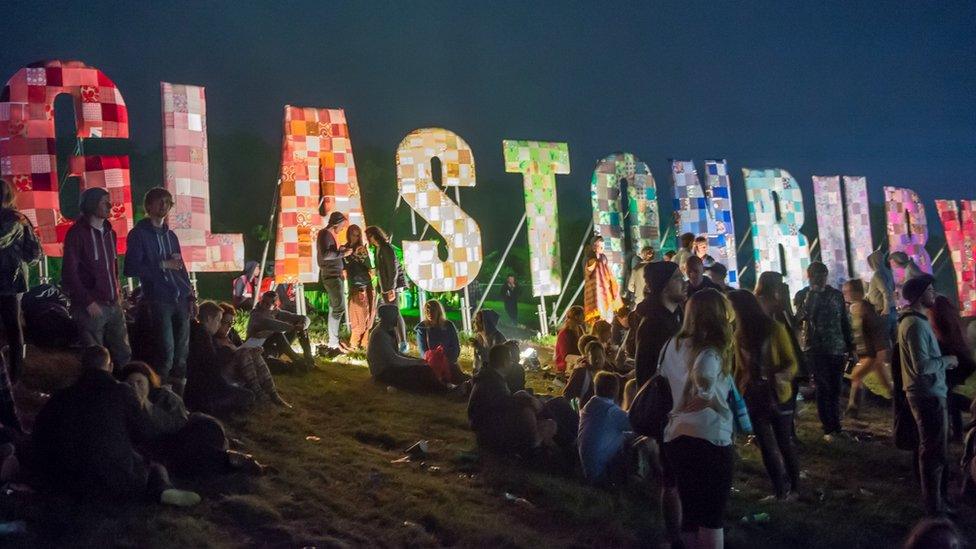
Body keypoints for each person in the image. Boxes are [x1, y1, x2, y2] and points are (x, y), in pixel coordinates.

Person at [30, 346, 200, 506]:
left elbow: (39, 433)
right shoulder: (122, 392)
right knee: (154, 466)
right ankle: (162, 489)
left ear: (82, 367)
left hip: (68, 480)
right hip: (116, 481)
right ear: (110, 366)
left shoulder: (62, 396)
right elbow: (145, 432)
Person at [659, 289, 735, 549]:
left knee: (690, 513)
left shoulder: (673, 344)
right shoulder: (712, 350)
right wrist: (715, 403)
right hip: (710, 435)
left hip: (677, 434)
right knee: (712, 515)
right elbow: (705, 382)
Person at [121, 361, 267, 477]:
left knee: (189, 448)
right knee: (186, 461)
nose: (135, 387)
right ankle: (235, 460)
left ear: (148, 381)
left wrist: (147, 405)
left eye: (139, 382)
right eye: (130, 384)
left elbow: (178, 424)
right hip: (176, 448)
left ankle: (241, 460)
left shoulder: (165, 397)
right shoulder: (126, 407)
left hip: (198, 428)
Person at [727, 289, 800, 501]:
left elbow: (791, 362)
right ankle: (779, 490)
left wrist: (776, 378)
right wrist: (739, 388)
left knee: (783, 441)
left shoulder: (775, 330)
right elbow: (740, 368)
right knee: (766, 444)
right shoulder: (739, 334)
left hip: (778, 394)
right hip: (753, 394)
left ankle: (794, 488)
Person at [123, 187, 194, 395]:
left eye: (168, 202)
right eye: (160, 201)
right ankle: (158, 398)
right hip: (158, 299)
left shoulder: (171, 235)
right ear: (149, 206)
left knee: (182, 354)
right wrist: (162, 265)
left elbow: (181, 267)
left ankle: (178, 402)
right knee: (166, 353)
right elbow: (130, 268)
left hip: (180, 299)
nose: (164, 205)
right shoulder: (138, 234)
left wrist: (190, 295)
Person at [898, 274, 958, 516]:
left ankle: (937, 502)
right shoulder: (914, 325)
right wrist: (947, 361)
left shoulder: (916, 322)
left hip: (929, 392)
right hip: (927, 395)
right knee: (933, 453)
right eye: (930, 290)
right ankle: (935, 507)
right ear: (918, 295)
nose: (933, 293)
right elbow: (921, 366)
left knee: (934, 450)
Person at [62, 187, 131, 370]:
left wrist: (118, 293)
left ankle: (126, 392)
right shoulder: (77, 234)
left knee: (123, 352)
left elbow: (113, 266)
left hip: (112, 302)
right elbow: (69, 272)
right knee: (95, 357)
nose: (110, 205)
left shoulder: (110, 233)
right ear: (92, 205)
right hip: (90, 305)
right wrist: (87, 301)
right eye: (104, 202)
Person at [794, 262, 853, 440]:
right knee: (823, 387)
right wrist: (812, 296)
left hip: (836, 347)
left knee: (835, 388)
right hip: (815, 349)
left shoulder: (835, 295)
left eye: (824, 274)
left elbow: (844, 320)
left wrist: (850, 346)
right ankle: (828, 427)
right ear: (809, 276)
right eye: (816, 275)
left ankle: (836, 425)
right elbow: (801, 317)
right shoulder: (804, 294)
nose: (821, 278)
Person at [468, 344, 559, 459]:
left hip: (486, 429)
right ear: (506, 361)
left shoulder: (489, 377)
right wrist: (528, 401)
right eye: (510, 360)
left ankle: (540, 444)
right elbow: (504, 406)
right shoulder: (493, 382)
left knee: (533, 409)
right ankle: (535, 448)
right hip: (490, 433)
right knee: (547, 423)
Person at [0, 178, 40, 387]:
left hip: (9, 282)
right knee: (13, 328)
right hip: (12, 280)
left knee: (13, 328)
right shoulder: (19, 218)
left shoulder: (13, 220)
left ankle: (15, 377)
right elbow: (34, 253)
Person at [185, 301, 254, 416]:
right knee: (247, 395)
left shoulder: (196, 332)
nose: (218, 325)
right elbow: (213, 370)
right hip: (204, 393)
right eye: (218, 320)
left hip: (199, 389)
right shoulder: (203, 337)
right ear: (208, 319)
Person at [214, 303, 290, 407]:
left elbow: (242, 346)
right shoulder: (212, 340)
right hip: (228, 374)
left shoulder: (231, 334)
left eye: (231, 323)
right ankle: (259, 393)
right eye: (226, 323)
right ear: (217, 321)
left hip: (244, 367)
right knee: (244, 353)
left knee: (254, 353)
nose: (229, 327)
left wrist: (254, 349)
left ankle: (273, 394)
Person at [577, 371, 642, 486]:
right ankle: (641, 478)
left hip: (588, 468)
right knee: (642, 441)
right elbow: (639, 426)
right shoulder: (611, 411)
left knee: (628, 437)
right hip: (602, 473)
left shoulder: (590, 405)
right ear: (616, 390)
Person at [368, 303, 448, 392]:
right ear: (388, 317)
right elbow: (394, 359)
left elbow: (396, 353)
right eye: (395, 316)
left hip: (390, 367)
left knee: (425, 369)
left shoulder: (388, 330)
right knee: (421, 372)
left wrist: (416, 360)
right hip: (383, 372)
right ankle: (445, 391)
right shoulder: (380, 335)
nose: (397, 318)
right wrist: (416, 362)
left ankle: (444, 388)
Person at [842, 279, 894, 417]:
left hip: (872, 353)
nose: (845, 294)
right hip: (867, 353)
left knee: (856, 375)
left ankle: (853, 407)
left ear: (857, 292)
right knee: (884, 381)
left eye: (847, 291)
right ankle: (897, 399)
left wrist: (880, 350)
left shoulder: (866, 310)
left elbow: (875, 331)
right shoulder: (855, 309)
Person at [927, 295, 975, 442]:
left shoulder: (940, 329)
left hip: (956, 367)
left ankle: (952, 432)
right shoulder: (953, 324)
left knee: (948, 398)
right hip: (962, 366)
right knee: (950, 398)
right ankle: (957, 433)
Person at [634, 262, 686, 387]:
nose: (684, 283)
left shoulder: (679, 316)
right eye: (677, 278)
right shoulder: (652, 326)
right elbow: (644, 374)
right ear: (664, 285)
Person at [248, 291, 314, 370]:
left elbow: (304, 318)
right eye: (263, 302)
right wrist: (292, 327)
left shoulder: (277, 312)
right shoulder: (256, 314)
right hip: (260, 349)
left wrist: (302, 325)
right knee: (277, 334)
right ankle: (298, 360)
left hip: (275, 347)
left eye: (267, 304)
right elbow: (273, 324)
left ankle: (309, 358)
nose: (263, 306)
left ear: (275, 306)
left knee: (301, 326)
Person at [366, 226, 407, 347]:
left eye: (370, 236)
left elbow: (393, 269)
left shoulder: (386, 248)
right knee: (391, 313)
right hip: (384, 286)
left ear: (375, 235)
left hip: (389, 286)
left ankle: (403, 342)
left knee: (395, 312)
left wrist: (391, 288)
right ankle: (396, 340)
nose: (369, 239)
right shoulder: (379, 248)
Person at [317, 211, 351, 353]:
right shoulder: (324, 234)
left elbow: (330, 253)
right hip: (331, 276)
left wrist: (340, 250)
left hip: (335, 275)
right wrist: (342, 253)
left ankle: (334, 340)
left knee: (334, 307)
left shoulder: (329, 235)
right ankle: (333, 341)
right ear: (336, 223)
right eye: (342, 226)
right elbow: (325, 255)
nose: (342, 229)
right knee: (338, 308)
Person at [415, 299, 467, 384]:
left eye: (433, 310)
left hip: (449, 361)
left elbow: (455, 348)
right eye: (427, 310)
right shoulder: (422, 328)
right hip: (431, 364)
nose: (429, 313)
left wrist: (447, 360)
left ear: (438, 311)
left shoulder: (448, 326)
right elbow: (423, 351)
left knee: (460, 378)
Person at [344, 224, 375, 350]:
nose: (355, 237)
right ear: (348, 234)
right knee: (358, 316)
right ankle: (356, 344)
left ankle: (362, 344)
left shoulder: (360, 249)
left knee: (366, 316)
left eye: (357, 235)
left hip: (363, 284)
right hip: (355, 285)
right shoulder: (345, 249)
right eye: (353, 234)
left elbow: (369, 267)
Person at [583, 236, 623, 325]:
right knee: (598, 317)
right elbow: (589, 270)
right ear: (593, 247)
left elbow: (607, 274)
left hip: (605, 291)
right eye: (600, 246)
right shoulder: (589, 259)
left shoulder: (602, 257)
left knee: (608, 316)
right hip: (596, 292)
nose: (602, 248)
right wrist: (595, 261)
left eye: (603, 246)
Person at [564, 340, 610, 408]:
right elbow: (566, 395)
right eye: (594, 358)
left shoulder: (608, 370)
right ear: (587, 358)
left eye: (600, 357)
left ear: (604, 357)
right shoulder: (581, 373)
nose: (597, 360)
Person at [866, 250, 897, 338]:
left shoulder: (878, 274)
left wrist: (886, 309)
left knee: (885, 338)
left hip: (882, 310)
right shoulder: (888, 272)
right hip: (891, 308)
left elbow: (885, 291)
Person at [554, 306, 586, 374]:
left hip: (578, 362)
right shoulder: (564, 334)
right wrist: (581, 359)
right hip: (566, 366)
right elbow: (566, 356)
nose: (584, 317)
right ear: (576, 317)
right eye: (582, 315)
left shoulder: (579, 329)